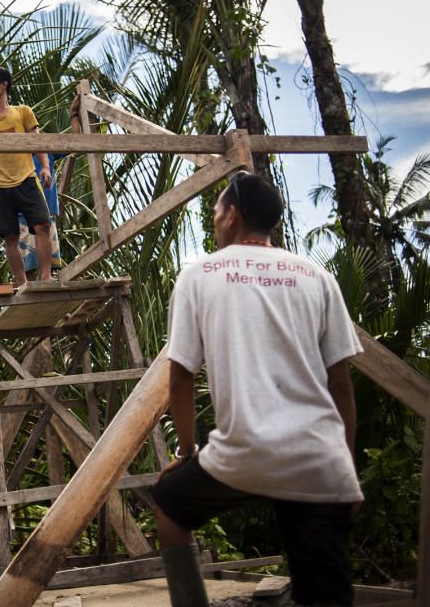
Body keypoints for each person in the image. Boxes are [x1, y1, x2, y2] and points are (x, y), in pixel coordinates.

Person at [152, 172, 363, 607]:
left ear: (233, 215)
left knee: (170, 502)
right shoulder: (315, 277)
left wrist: (187, 453)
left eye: (215, 213)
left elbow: (181, 377)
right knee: (325, 594)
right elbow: (341, 386)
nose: (213, 222)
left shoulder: (199, 276)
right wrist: (344, 467)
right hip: (318, 456)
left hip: (243, 454)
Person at [0, 67, 54, 287]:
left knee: (43, 226)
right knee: (10, 237)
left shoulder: (23, 112)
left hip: (26, 179)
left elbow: (37, 141)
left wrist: (45, 167)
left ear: (3, 85)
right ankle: (21, 281)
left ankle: (45, 277)